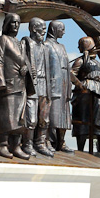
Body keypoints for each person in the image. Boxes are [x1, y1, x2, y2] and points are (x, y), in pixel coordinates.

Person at [0, 13, 33, 160]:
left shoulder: (19, 42)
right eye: (13, 22)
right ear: (7, 23)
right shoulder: (3, 40)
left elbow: (25, 61)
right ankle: (2, 144)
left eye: (18, 23)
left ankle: (16, 146)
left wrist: (26, 69)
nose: (16, 25)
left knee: (19, 117)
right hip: (8, 86)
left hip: (21, 86)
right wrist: (1, 82)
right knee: (6, 115)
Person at [21, 17, 53, 157]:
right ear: (34, 29)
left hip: (44, 85)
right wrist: (27, 68)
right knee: (31, 118)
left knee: (44, 118)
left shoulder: (45, 47)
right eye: (42, 27)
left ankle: (40, 143)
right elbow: (20, 61)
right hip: (31, 85)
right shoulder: (26, 43)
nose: (45, 31)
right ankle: (27, 144)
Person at [71, 36, 100, 154]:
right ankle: (80, 149)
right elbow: (71, 74)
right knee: (83, 120)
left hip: (98, 92)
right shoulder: (80, 61)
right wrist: (80, 85)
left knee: (99, 121)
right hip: (84, 95)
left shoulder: (97, 62)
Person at [45, 20, 73, 153]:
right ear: (55, 30)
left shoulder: (61, 46)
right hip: (52, 84)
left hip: (64, 84)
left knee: (64, 116)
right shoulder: (45, 45)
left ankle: (61, 142)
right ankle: (48, 141)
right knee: (52, 115)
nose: (64, 32)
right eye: (62, 29)